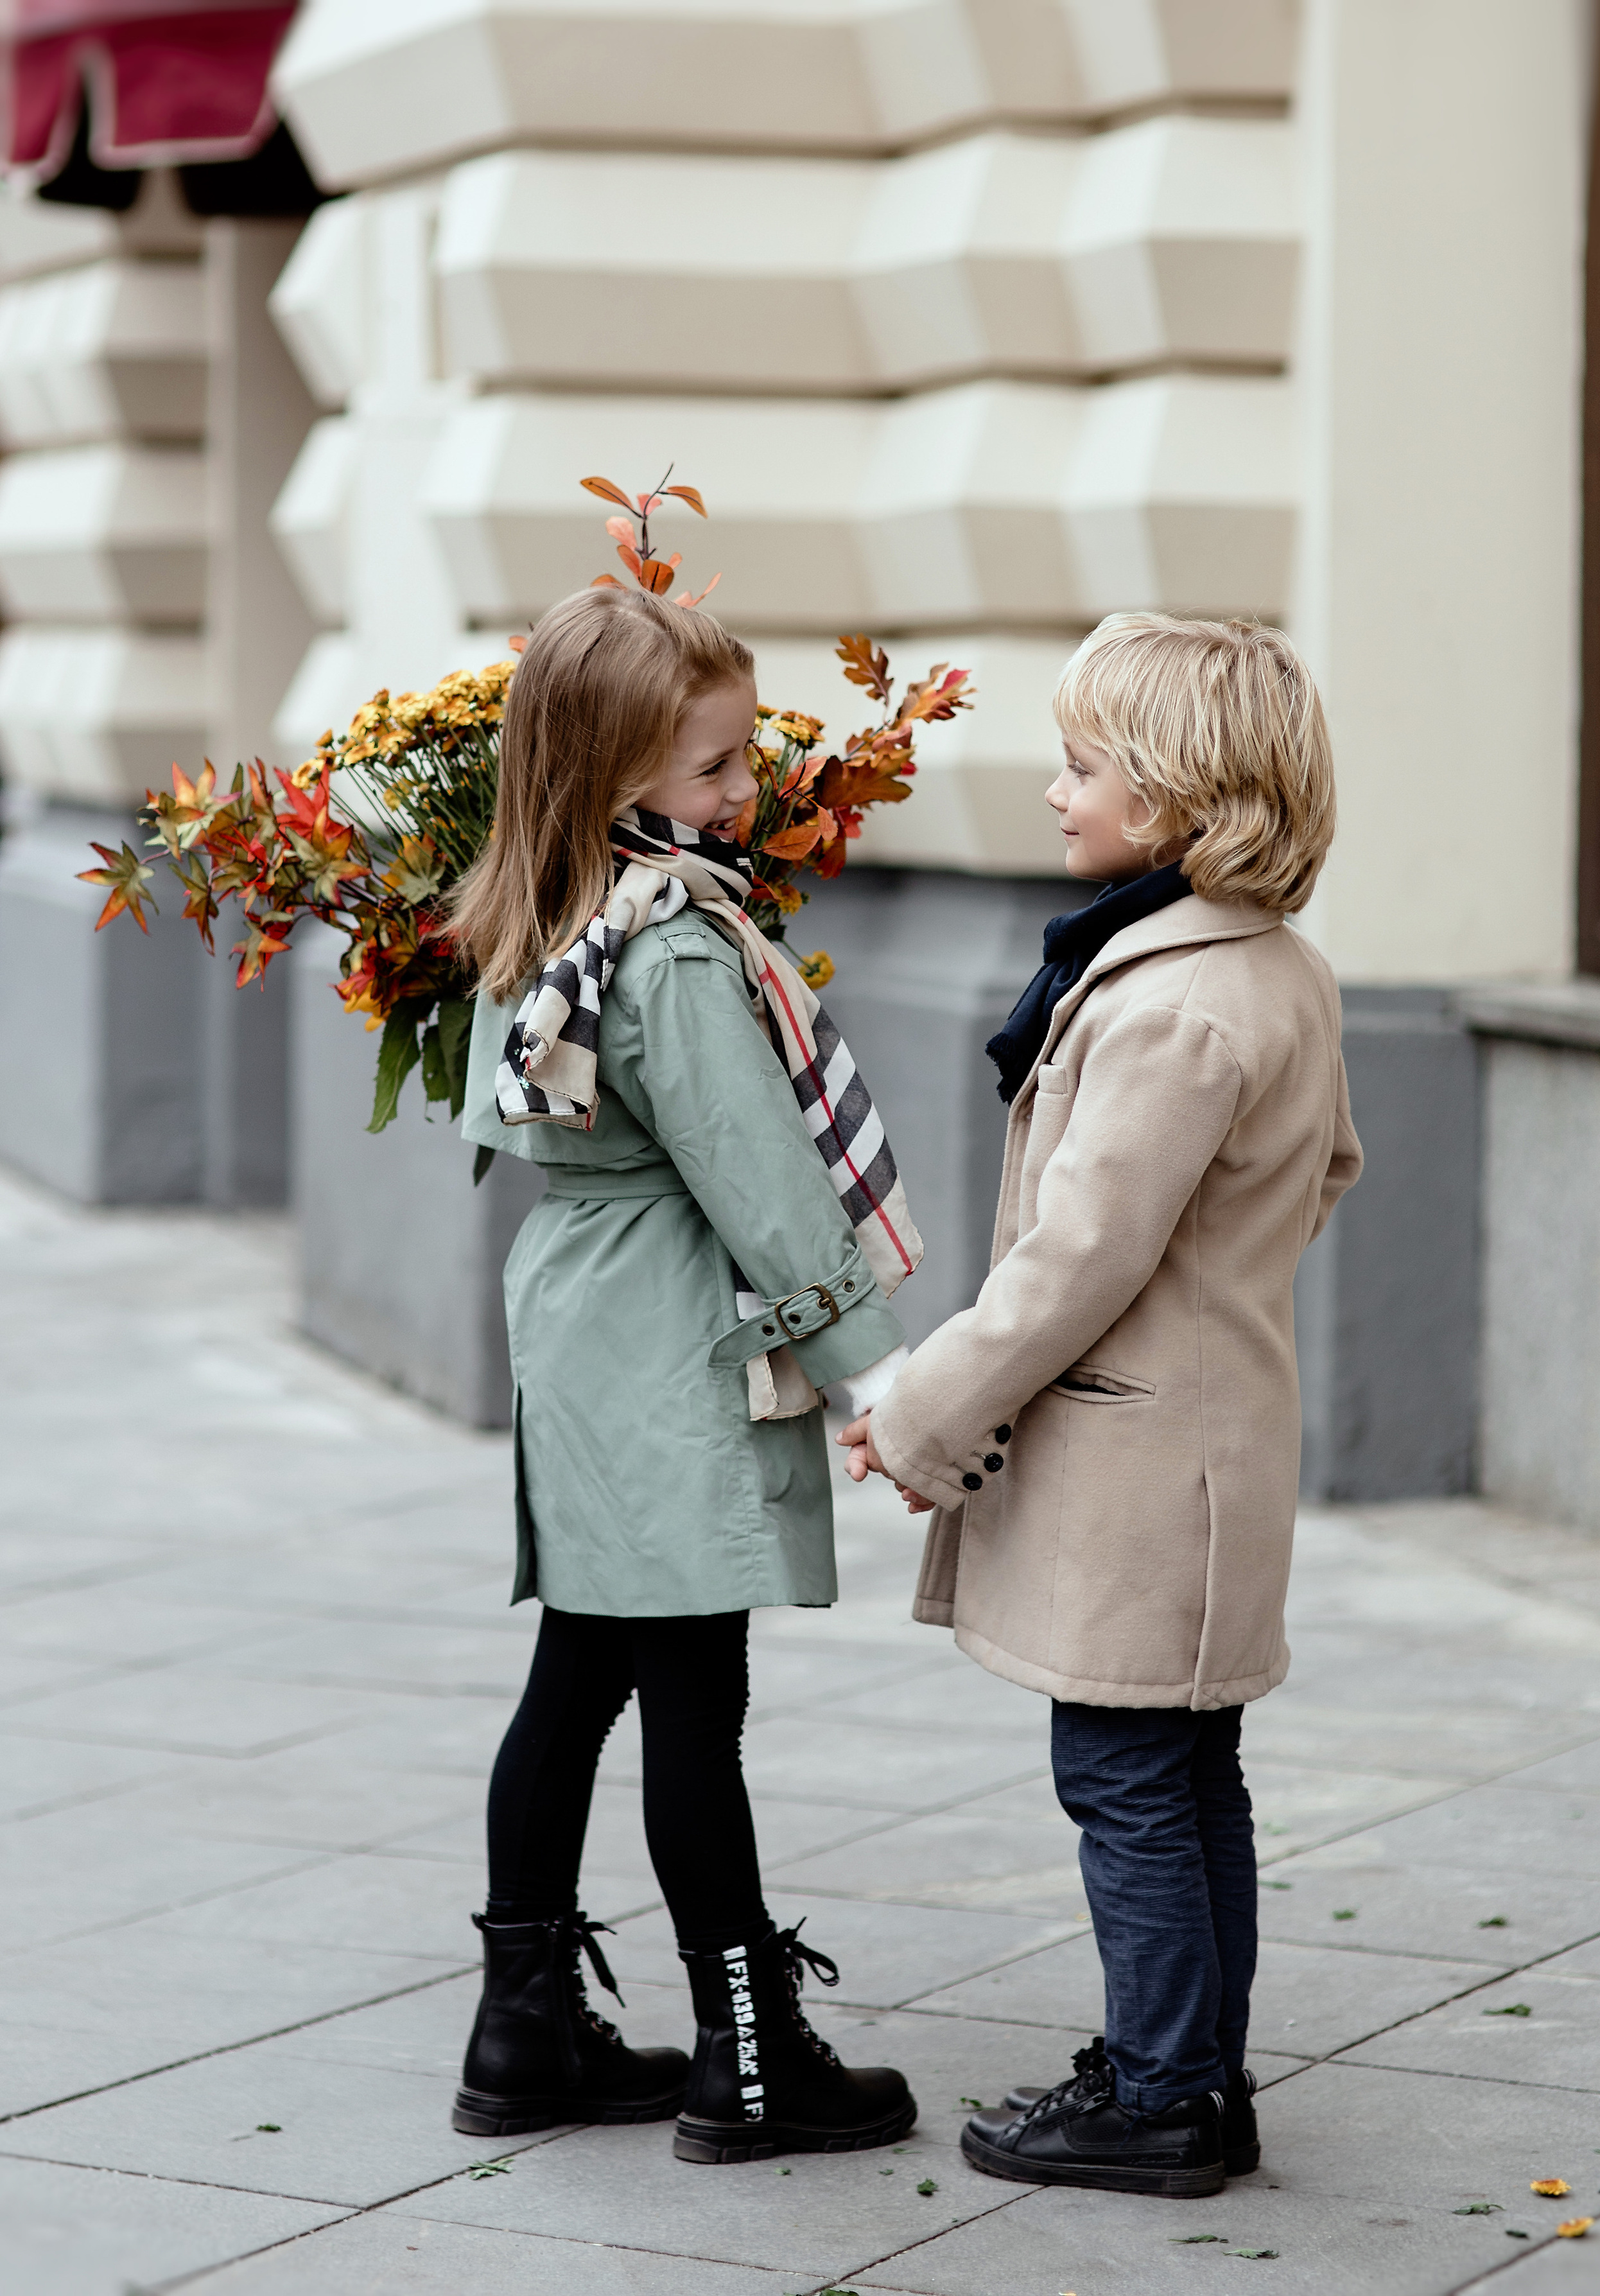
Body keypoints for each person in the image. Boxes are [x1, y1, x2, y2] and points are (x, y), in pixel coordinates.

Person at [840, 614, 1362, 2199]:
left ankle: (1160, 2095)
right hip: (1207, 1432)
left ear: (1174, 795)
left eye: (1081, 764)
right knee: (1186, 1771)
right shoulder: (1267, 973)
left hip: (1144, 1455)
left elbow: (1075, 1259)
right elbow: (1323, 1171)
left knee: (1126, 1777)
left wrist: (925, 1408)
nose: (1053, 789)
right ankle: (1190, 2073)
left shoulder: (1172, 1005)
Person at [449, 584, 919, 2163]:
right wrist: (879, 1382)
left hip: (582, 1322)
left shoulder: (544, 917)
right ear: (617, 778)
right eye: (715, 772)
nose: (744, 797)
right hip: (671, 1337)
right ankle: (750, 2049)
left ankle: (522, 2031)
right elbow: (766, 1186)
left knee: (576, 1681)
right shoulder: (672, 950)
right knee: (690, 1702)